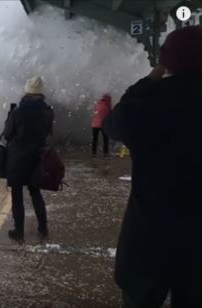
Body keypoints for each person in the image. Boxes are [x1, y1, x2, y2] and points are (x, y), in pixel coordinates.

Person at [103, 26, 202, 307]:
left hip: (148, 240)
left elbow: (111, 124)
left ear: (166, 62)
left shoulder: (145, 106)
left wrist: (146, 82)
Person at [3, 76, 54, 241]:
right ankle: (43, 227)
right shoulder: (47, 111)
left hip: (17, 159)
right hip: (37, 158)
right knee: (35, 193)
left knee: (17, 196)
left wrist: (10, 117)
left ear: (27, 92)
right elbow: (48, 133)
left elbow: (8, 135)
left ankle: (18, 230)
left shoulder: (18, 112)